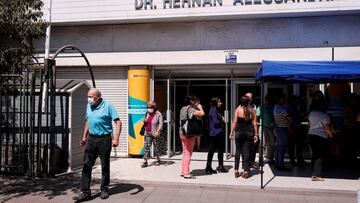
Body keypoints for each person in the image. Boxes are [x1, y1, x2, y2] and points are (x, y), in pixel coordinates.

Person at [73, 88, 122, 202]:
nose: (88, 99)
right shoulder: (89, 106)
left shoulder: (109, 106)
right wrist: (84, 137)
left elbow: (118, 122)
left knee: (105, 166)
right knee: (86, 165)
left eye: (91, 97)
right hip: (91, 139)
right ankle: (85, 192)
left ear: (98, 97)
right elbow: (88, 121)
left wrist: (116, 138)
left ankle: (104, 189)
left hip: (104, 139)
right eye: (88, 96)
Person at [230, 96, 259, 179]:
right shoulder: (252, 111)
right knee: (246, 152)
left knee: (238, 151)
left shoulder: (238, 110)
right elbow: (254, 124)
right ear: (249, 102)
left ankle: (236, 170)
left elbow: (235, 122)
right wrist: (256, 134)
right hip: (248, 133)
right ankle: (246, 171)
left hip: (239, 132)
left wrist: (231, 132)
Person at [308, 90, 333, 181]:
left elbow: (310, 125)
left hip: (311, 135)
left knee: (315, 154)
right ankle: (316, 175)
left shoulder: (311, 113)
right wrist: (330, 135)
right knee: (320, 155)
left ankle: (313, 170)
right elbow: (327, 128)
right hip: (321, 136)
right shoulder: (325, 116)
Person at [179, 95, 205, 179]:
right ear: (191, 101)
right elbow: (202, 113)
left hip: (182, 132)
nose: (195, 102)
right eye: (194, 100)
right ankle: (186, 173)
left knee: (184, 152)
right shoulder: (190, 109)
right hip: (189, 133)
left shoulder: (182, 108)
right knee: (188, 153)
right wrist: (199, 107)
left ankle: (183, 171)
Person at [205, 97, 228, 174]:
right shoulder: (213, 110)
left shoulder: (214, 109)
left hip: (214, 133)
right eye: (219, 102)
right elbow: (215, 122)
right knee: (218, 150)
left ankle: (210, 166)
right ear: (215, 103)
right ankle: (218, 167)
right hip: (216, 133)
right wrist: (222, 119)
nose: (221, 103)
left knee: (212, 150)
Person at [141, 101, 165, 168]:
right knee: (146, 147)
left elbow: (161, 123)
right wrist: (144, 121)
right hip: (147, 132)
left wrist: (158, 131)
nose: (149, 108)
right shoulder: (147, 113)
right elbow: (145, 121)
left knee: (156, 147)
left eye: (150, 107)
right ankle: (145, 161)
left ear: (154, 107)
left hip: (155, 133)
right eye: (148, 107)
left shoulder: (158, 114)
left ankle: (158, 159)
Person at [273, 93, 292, 171]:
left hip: (278, 129)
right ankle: (280, 165)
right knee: (282, 148)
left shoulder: (276, 107)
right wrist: (290, 127)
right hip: (282, 129)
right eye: (284, 98)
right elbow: (290, 119)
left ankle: (277, 163)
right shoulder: (281, 108)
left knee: (279, 147)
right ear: (280, 99)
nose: (285, 100)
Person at [256, 94, 275, 165]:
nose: (268, 100)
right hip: (263, 127)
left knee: (271, 144)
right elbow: (257, 117)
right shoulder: (261, 107)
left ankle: (270, 158)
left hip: (271, 128)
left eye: (269, 98)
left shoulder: (273, 107)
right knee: (262, 144)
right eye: (267, 98)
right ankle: (260, 159)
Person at [288, 95, 306, 166]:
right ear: (293, 101)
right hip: (293, 129)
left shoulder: (296, 108)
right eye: (297, 101)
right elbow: (289, 120)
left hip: (298, 128)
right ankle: (292, 160)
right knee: (292, 146)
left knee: (299, 145)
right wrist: (289, 129)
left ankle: (299, 159)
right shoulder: (290, 108)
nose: (298, 102)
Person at [245, 92, 259, 169]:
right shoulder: (242, 106)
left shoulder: (254, 106)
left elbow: (255, 118)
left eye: (250, 97)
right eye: (247, 97)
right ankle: (246, 163)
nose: (249, 99)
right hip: (245, 129)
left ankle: (252, 162)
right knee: (246, 147)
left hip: (253, 128)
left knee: (253, 146)